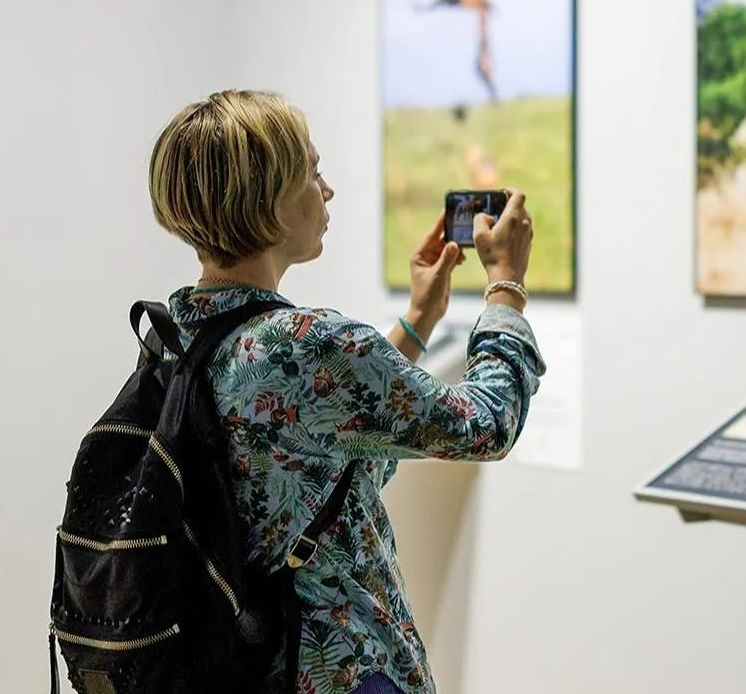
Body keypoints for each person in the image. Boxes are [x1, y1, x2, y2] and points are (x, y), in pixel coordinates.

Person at [146, 89, 545, 693]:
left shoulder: (183, 338)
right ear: (270, 202)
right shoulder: (306, 345)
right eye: (312, 171)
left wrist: (418, 320)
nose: (326, 191)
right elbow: (483, 426)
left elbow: (327, 464)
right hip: (341, 669)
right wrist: (506, 289)